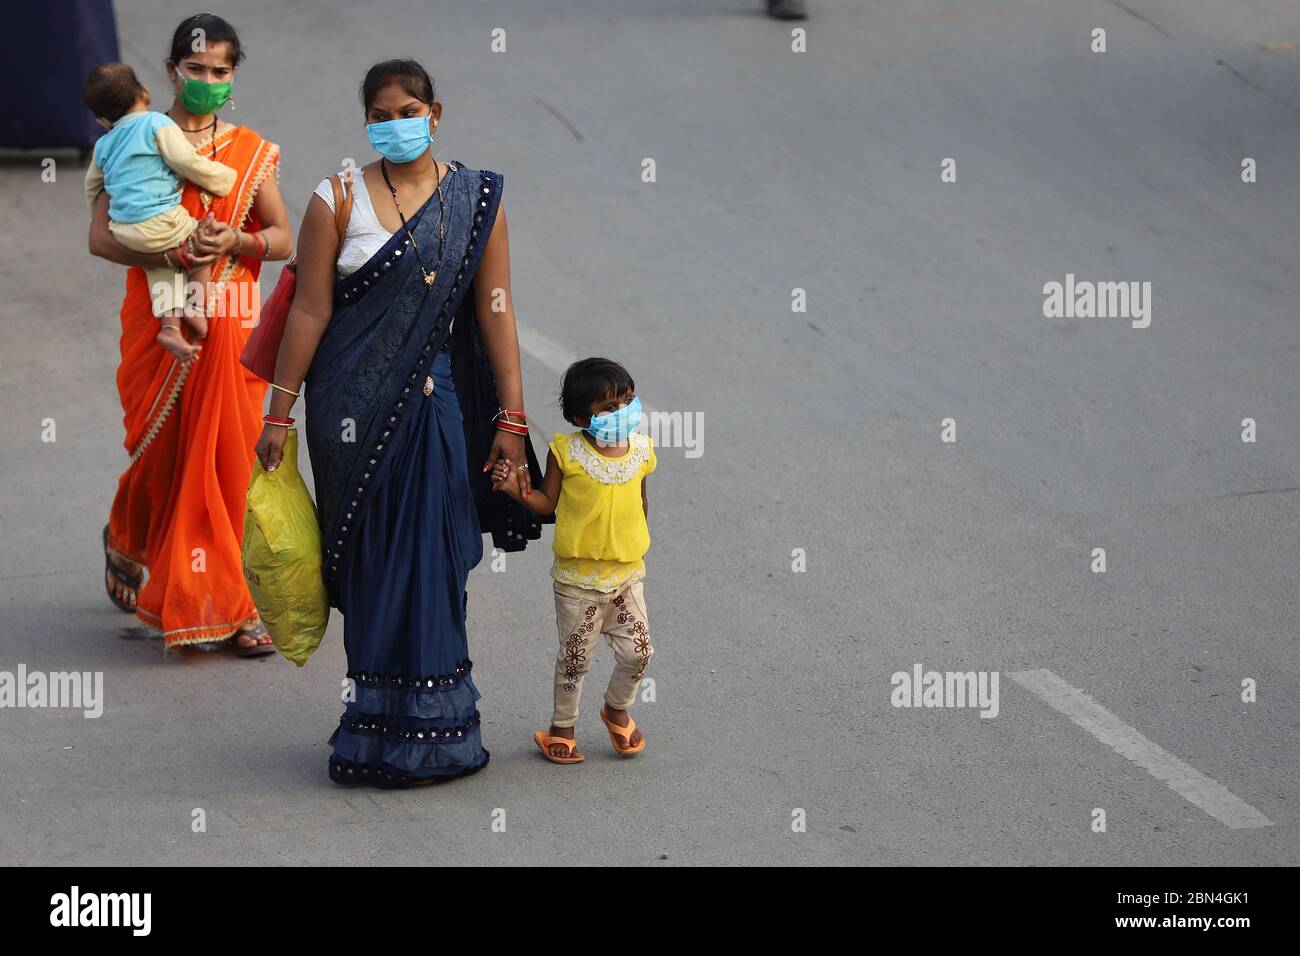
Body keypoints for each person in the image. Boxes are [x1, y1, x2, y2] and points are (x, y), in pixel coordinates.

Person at [254, 58, 547, 787]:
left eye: (409, 109)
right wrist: (278, 415)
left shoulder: (477, 200)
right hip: (348, 410)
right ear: (366, 122)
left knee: (436, 553)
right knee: (372, 560)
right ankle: (374, 731)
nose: (395, 123)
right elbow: (311, 310)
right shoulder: (337, 198)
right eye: (380, 114)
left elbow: (495, 313)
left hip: (435, 407)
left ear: (436, 113)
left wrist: (512, 419)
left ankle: (440, 731)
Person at [90, 13, 291, 656]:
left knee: (228, 459)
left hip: (232, 320)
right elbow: (100, 238)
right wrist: (171, 258)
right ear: (172, 69)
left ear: (234, 76)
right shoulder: (135, 136)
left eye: (220, 71)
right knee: (160, 454)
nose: (207, 80)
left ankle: (231, 603)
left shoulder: (250, 151)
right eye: (196, 68)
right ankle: (128, 534)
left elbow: (283, 241)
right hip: (157, 317)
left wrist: (238, 238)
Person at [491, 358, 657, 764]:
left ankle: (616, 708)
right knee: (575, 660)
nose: (624, 413)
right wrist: (515, 490)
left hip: (625, 576)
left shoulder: (642, 451)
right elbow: (548, 503)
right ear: (580, 417)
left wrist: (631, 540)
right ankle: (560, 730)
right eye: (610, 408)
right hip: (577, 580)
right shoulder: (566, 453)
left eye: (629, 402)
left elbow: (640, 502)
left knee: (640, 651)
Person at [83, 61, 236, 360]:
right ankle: (196, 305)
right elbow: (186, 162)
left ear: (102, 120)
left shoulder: (103, 145)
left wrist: (103, 216)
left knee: (159, 266)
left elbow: (92, 186)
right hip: (162, 220)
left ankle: (170, 326)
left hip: (125, 230)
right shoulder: (156, 123)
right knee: (201, 243)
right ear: (145, 92)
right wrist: (223, 179)